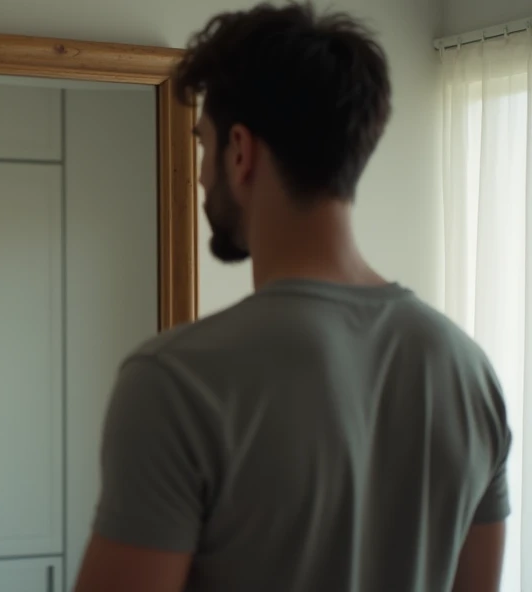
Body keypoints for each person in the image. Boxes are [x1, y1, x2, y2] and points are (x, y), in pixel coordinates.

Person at [74, 3, 511, 592]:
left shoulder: (175, 380)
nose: (201, 176)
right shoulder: (468, 371)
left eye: (202, 146)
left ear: (239, 151)